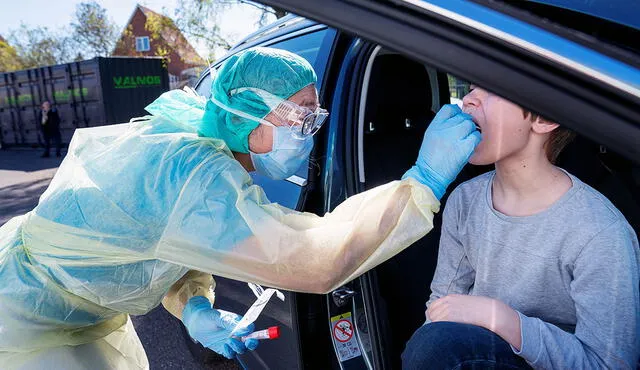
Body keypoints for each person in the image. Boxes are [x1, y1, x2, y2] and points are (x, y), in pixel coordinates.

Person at [0, 47, 480, 369]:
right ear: (247, 109)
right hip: (29, 323)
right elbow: (310, 258)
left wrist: (194, 306)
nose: (309, 132)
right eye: (299, 116)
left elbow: (149, 245)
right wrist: (422, 183)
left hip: (65, 309)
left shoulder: (194, 144)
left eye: (316, 117)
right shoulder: (193, 172)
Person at [401, 85, 640, 369]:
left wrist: (503, 319)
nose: (468, 99)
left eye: (490, 88)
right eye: (471, 86)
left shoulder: (600, 231)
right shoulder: (464, 200)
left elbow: (609, 364)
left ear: (544, 118)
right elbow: (442, 305)